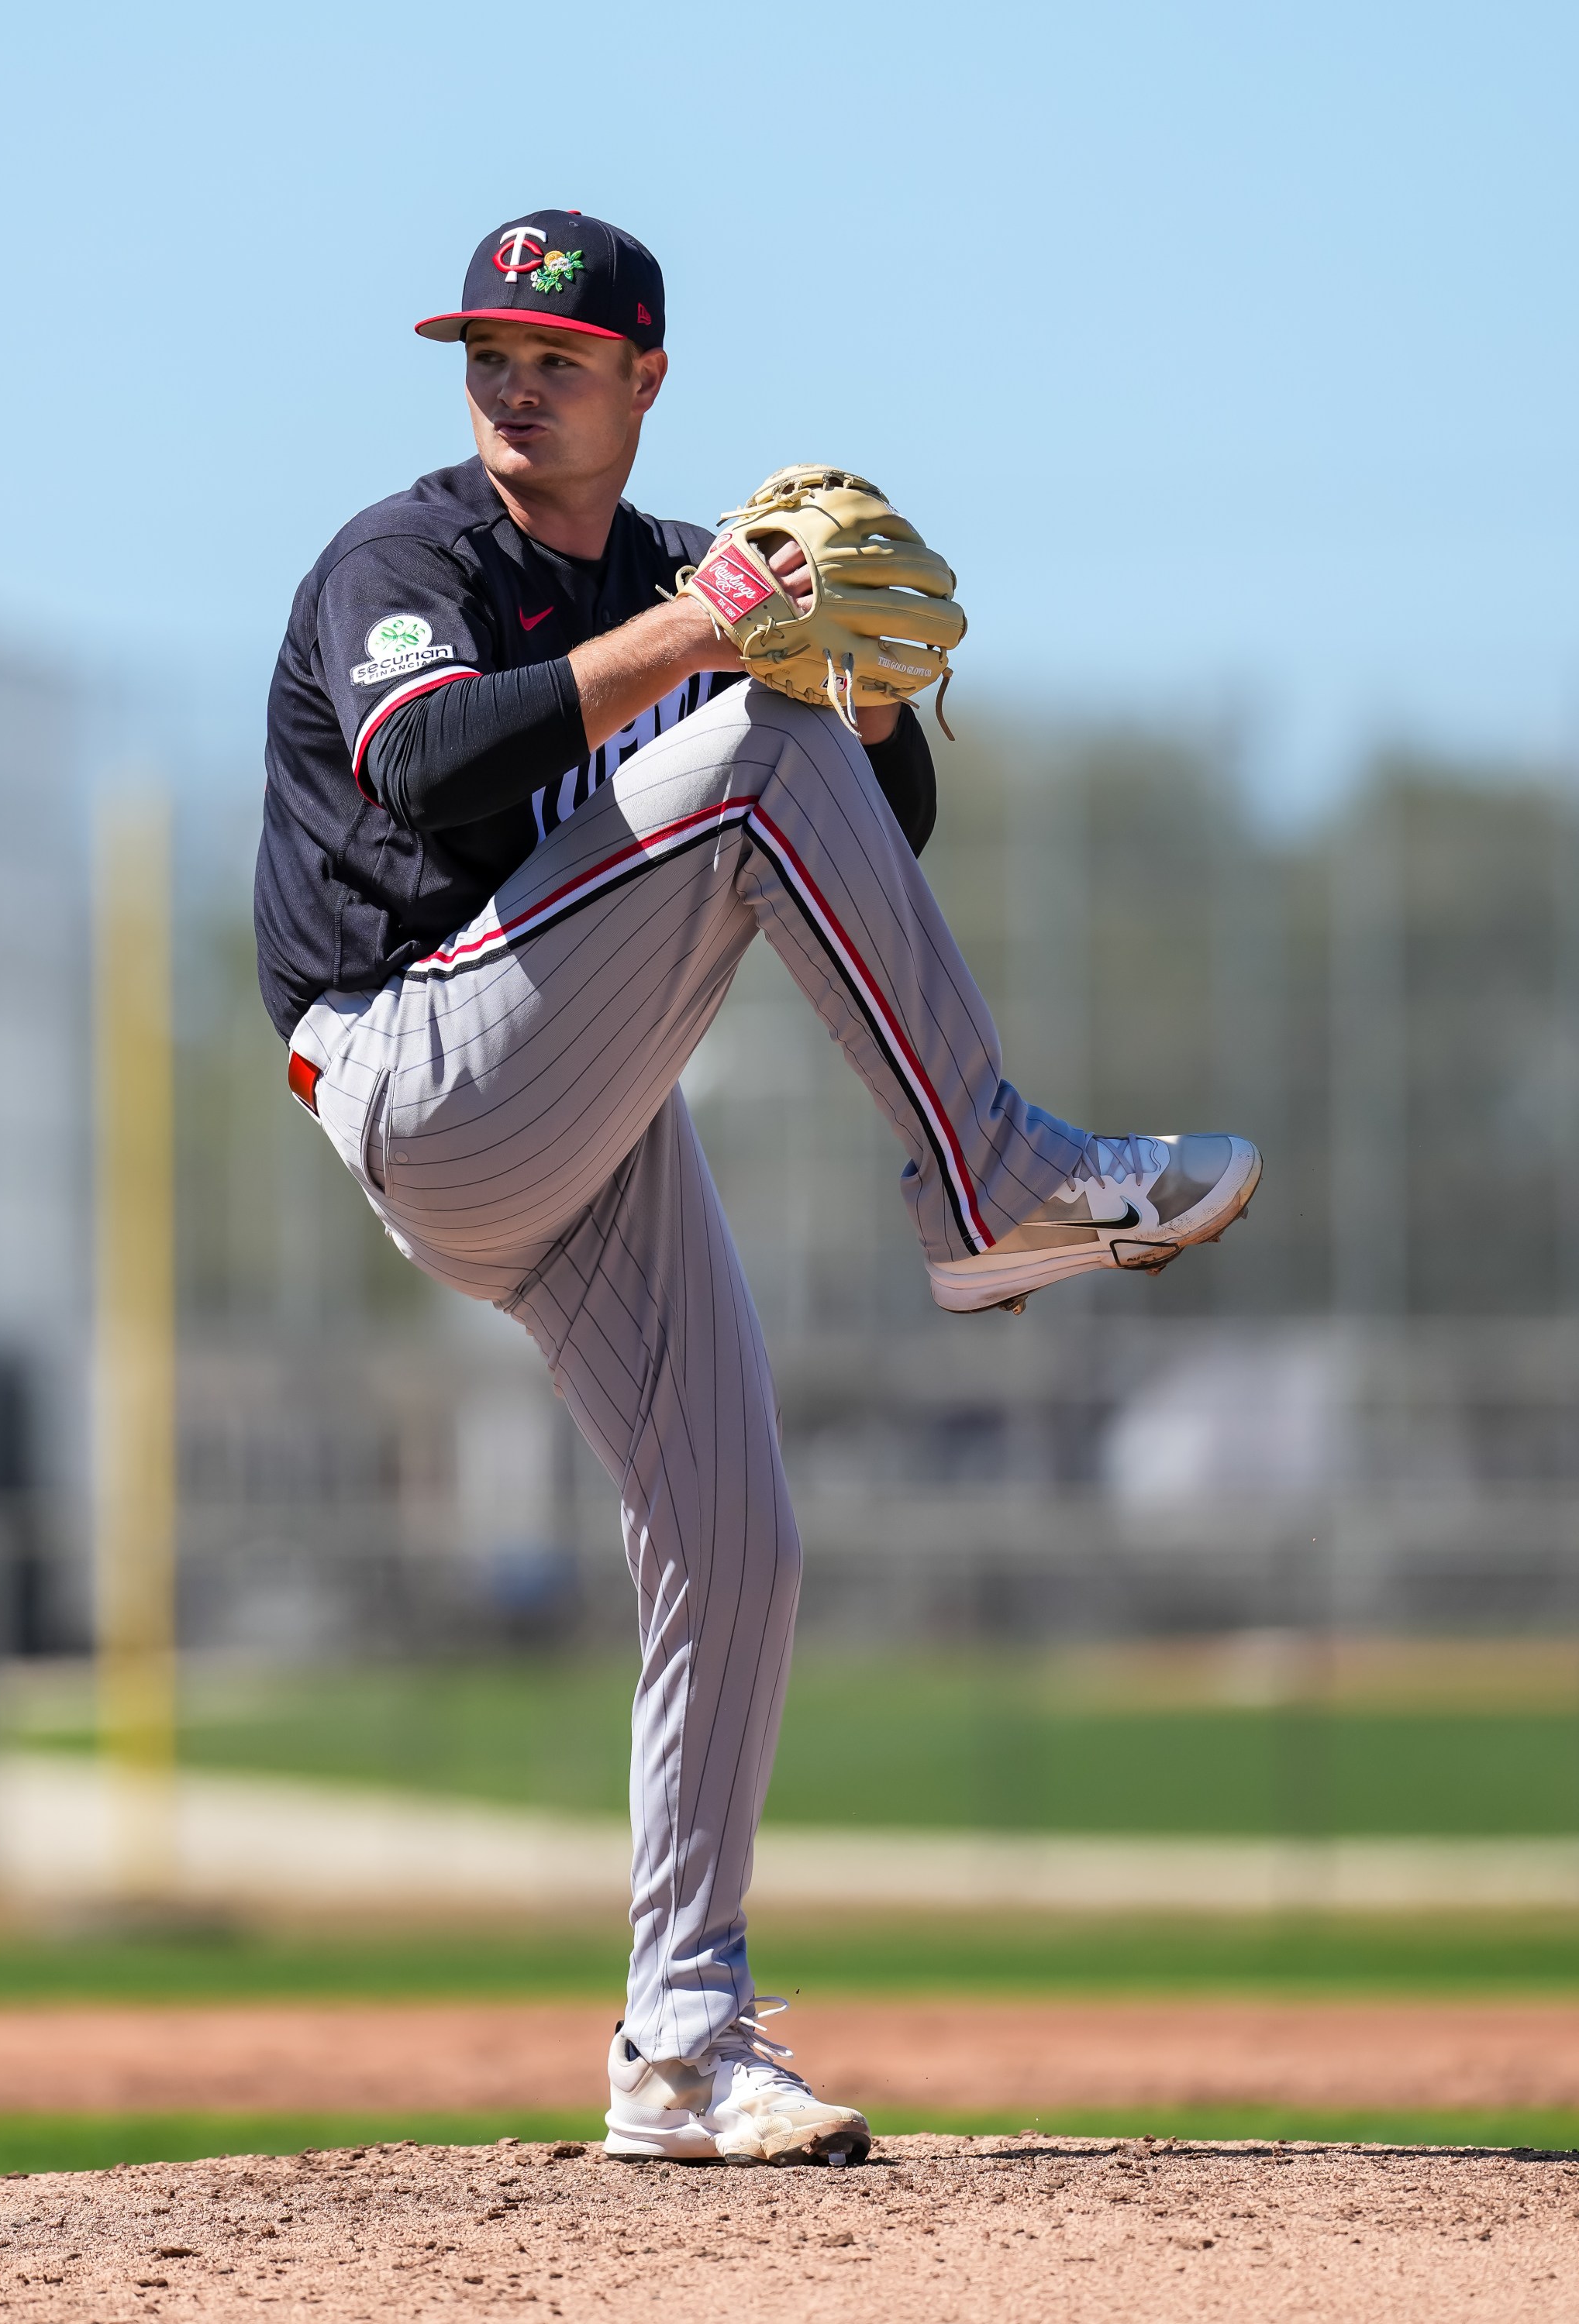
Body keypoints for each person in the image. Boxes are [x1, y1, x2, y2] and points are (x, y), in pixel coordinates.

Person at [254, 210, 1260, 2165]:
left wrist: (866, 702)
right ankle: (1001, 1181)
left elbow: (868, 818)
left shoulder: (666, 566)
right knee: (752, 739)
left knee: (736, 1535)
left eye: (555, 354)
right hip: (414, 1070)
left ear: (643, 378)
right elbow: (440, 763)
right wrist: (722, 636)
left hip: (580, 1107)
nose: (512, 380)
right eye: (487, 348)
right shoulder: (410, 559)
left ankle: (685, 2043)